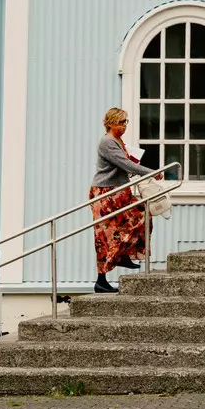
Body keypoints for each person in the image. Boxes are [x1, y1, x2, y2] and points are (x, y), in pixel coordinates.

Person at [89, 106, 150, 293]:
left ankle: (122, 254)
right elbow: (124, 163)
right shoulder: (107, 142)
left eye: (125, 122)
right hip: (106, 193)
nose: (124, 126)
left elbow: (125, 163)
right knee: (105, 236)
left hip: (119, 192)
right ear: (110, 123)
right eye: (120, 122)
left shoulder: (117, 141)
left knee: (141, 215)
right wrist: (152, 173)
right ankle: (101, 280)